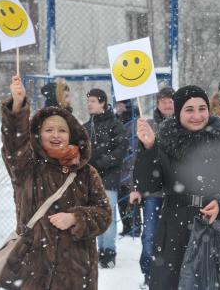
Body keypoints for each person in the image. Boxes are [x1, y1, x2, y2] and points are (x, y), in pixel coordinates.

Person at [134, 85, 220, 290]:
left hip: (216, 233)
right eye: (189, 109)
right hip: (174, 232)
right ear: (178, 112)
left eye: (202, 108)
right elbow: (147, 185)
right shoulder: (164, 143)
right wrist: (149, 148)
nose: (197, 115)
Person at [1, 76, 112, 289]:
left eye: (62, 130)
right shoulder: (26, 167)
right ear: (38, 134)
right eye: (49, 130)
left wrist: (76, 218)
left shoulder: (86, 173)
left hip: (76, 272)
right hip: (33, 269)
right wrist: (17, 106)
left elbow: (104, 214)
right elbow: (14, 145)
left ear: (71, 136)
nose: (55, 135)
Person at [129, 87, 175, 288]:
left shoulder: (183, 125)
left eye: (171, 101)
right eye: (164, 101)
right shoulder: (148, 125)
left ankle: (170, 276)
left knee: (173, 239)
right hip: (152, 193)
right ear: (158, 104)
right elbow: (138, 160)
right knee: (150, 236)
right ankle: (148, 275)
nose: (168, 105)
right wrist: (136, 187)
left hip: (176, 193)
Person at [84, 88, 129, 268]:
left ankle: (108, 253)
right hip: (90, 179)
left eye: (93, 101)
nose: (89, 104)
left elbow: (121, 148)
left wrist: (102, 163)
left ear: (102, 103)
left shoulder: (115, 124)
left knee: (107, 217)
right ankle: (97, 251)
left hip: (109, 178)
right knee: (93, 217)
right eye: (88, 101)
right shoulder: (86, 126)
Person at [115, 99, 142, 237]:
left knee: (131, 197)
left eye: (120, 104)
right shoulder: (117, 120)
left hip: (130, 164)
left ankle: (135, 227)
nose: (117, 107)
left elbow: (135, 143)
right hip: (120, 165)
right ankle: (127, 226)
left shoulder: (134, 121)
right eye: (117, 104)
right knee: (122, 198)